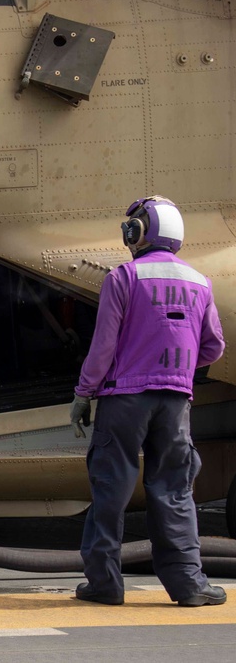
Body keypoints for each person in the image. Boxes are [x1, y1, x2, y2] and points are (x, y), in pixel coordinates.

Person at [70, 195, 226, 607]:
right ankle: (189, 586)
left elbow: (103, 347)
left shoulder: (123, 278)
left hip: (124, 400)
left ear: (139, 231)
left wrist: (84, 393)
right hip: (176, 403)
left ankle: (105, 583)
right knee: (174, 492)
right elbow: (214, 348)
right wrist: (177, 366)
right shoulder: (200, 282)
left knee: (110, 491)